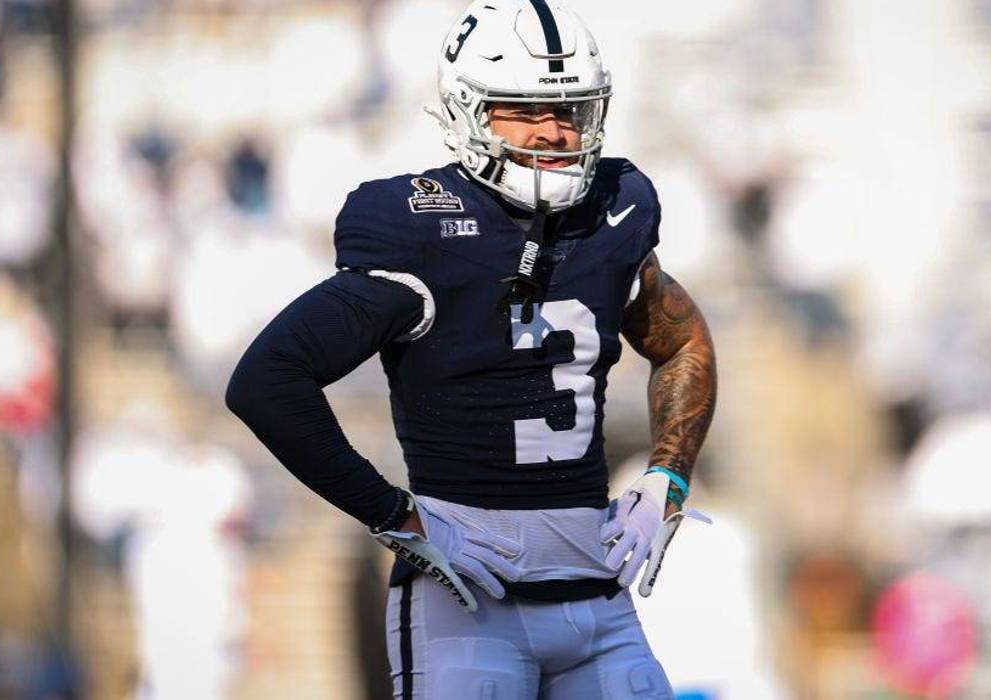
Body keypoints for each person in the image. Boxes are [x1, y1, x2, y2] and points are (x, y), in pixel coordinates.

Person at [225, 1, 717, 697]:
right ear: (469, 111)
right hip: (466, 599)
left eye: (570, 110)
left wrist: (668, 475)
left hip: (596, 593)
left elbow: (683, 340)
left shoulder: (613, 212)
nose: (553, 130)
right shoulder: (419, 230)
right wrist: (390, 512)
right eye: (524, 110)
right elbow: (267, 379)